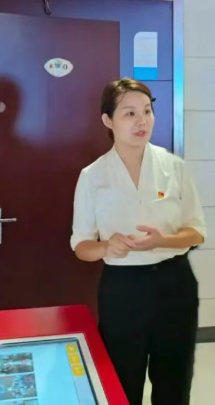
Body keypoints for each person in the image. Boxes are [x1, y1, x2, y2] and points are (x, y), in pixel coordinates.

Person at [71, 78, 206, 405]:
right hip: (123, 289)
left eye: (147, 111)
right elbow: (81, 245)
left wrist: (165, 240)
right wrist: (106, 247)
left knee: (174, 381)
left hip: (175, 284)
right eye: (129, 113)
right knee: (121, 380)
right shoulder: (92, 176)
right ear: (108, 120)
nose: (141, 121)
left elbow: (196, 231)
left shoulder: (174, 167)